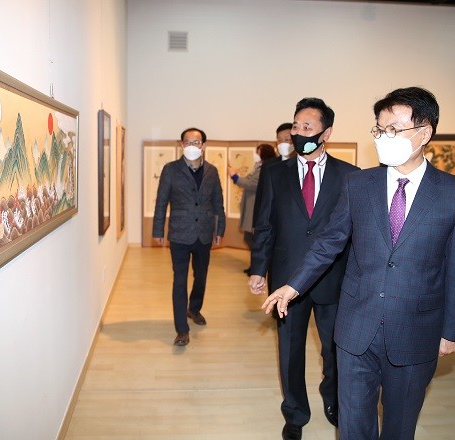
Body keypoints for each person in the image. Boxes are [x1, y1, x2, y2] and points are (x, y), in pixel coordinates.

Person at [259, 87, 455, 440]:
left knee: (399, 426)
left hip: (414, 331)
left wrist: (453, 330)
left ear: (424, 133)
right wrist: (293, 285)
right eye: (380, 129)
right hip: (355, 327)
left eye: (394, 129)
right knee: (353, 426)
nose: (383, 137)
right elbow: (329, 242)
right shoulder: (358, 184)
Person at [249, 98, 359, 440]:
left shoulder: (350, 175)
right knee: (290, 350)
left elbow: (356, 233)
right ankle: (295, 412)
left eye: (307, 127)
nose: (298, 132)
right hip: (286, 279)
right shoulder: (274, 172)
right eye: (295, 126)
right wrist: (258, 269)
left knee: (335, 349)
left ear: (326, 133)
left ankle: (334, 399)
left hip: (333, 279)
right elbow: (264, 224)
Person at [153, 127, 226, 347]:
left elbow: (218, 203)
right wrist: (158, 230)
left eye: (196, 142)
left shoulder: (212, 171)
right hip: (179, 233)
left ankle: (194, 309)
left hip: (204, 233)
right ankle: (182, 330)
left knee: (201, 276)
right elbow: (161, 202)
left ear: (204, 145)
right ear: (181, 145)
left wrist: (219, 230)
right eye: (187, 142)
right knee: (180, 280)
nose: (191, 146)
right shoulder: (170, 170)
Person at [227, 143, 277, 274]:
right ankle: (254, 265)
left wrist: (234, 176)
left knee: (252, 238)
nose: (256, 155)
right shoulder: (258, 167)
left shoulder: (265, 169)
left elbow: (251, 184)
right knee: (249, 238)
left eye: (258, 152)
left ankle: (257, 267)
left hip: (255, 207)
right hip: (250, 206)